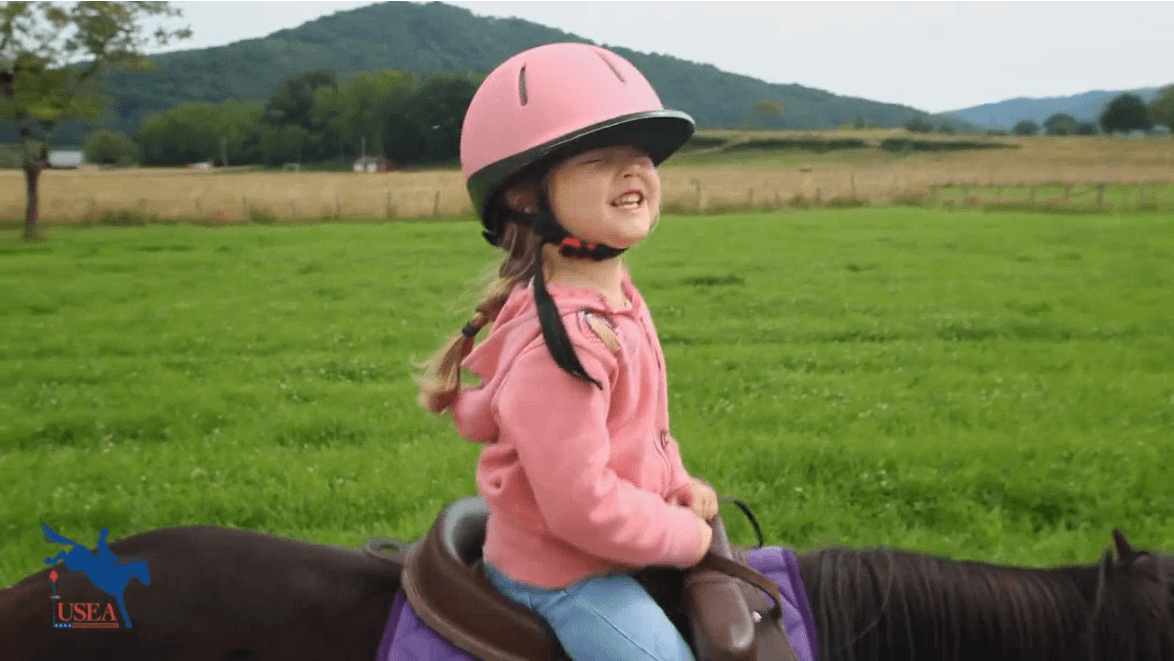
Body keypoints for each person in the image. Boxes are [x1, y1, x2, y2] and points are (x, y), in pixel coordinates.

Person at [416, 42, 718, 661]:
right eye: (602, 158)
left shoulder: (615, 303)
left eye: (643, 157)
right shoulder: (563, 345)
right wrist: (682, 538)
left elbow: (641, 432)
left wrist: (678, 482)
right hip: (566, 577)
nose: (635, 172)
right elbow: (580, 505)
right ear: (527, 199)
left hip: (612, 543)